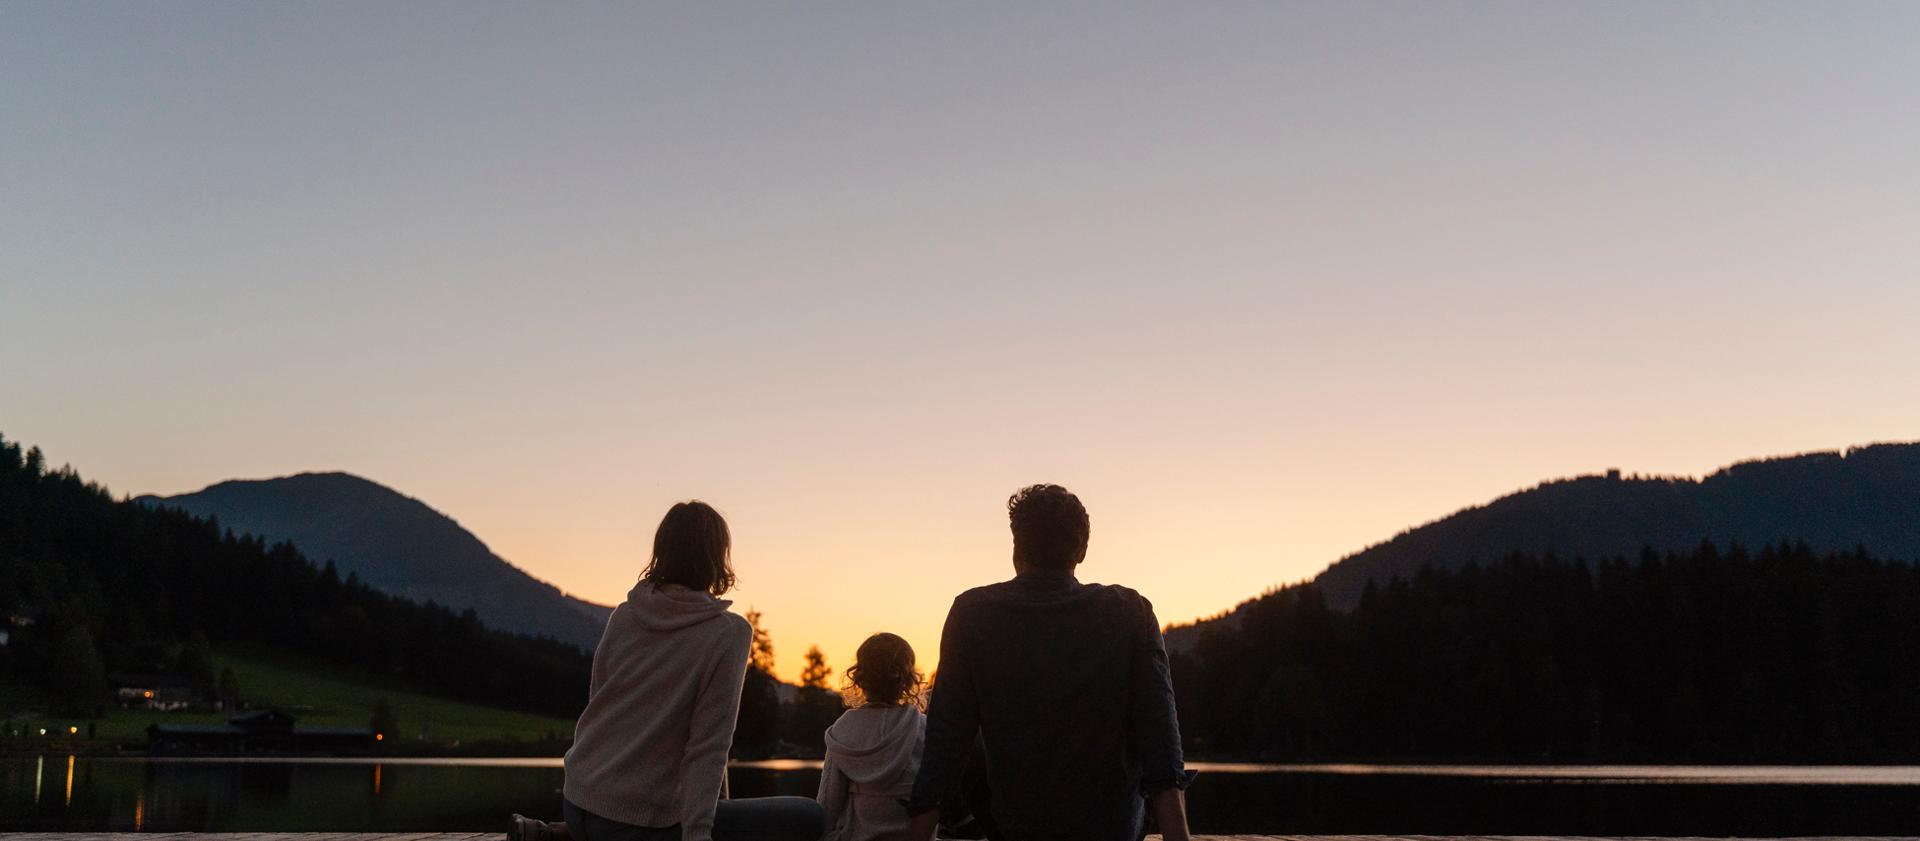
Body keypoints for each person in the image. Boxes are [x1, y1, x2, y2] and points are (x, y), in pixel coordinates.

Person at [510, 501, 823, 841]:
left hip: (579, 798)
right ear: (718, 557)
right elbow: (709, 744)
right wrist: (700, 835)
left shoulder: (625, 615)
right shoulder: (728, 632)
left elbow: (598, 706)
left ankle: (563, 834)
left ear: (662, 551)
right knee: (808, 816)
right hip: (637, 821)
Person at [900, 485, 1193, 841]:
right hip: (1111, 829)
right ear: (1081, 550)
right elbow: (1160, 738)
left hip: (1017, 828)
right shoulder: (1130, 611)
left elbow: (946, 741)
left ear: (1015, 547)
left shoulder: (972, 613)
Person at [816, 632, 927, 841]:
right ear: (908, 678)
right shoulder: (924, 728)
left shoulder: (844, 729)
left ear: (859, 677)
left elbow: (829, 803)